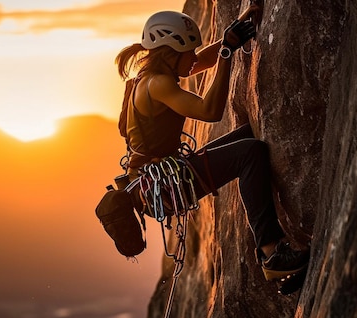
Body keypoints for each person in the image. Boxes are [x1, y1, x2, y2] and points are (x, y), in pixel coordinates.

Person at [114, 6, 309, 280]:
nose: (193, 57)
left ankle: (273, 252)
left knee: (246, 135)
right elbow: (209, 111)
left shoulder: (146, 77)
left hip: (157, 179)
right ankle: (272, 252)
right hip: (167, 186)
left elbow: (200, 61)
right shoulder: (158, 84)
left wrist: (234, 32)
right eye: (188, 52)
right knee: (250, 152)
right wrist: (228, 53)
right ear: (170, 53)